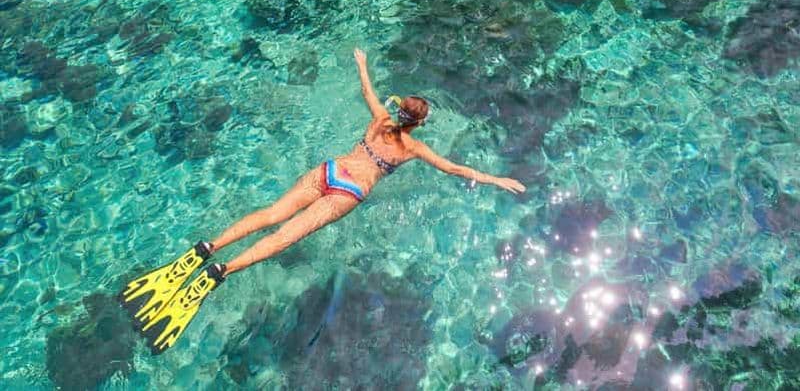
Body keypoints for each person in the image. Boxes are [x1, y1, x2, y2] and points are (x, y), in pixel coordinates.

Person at [119, 48, 526, 354]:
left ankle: (207, 249)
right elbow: (454, 168)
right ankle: (221, 271)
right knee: (284, 237)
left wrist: (363, 65)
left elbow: (369, 91)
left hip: (330, 170)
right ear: (417, 124)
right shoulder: (412, 148)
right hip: (348, 193)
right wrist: (495, 178)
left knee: (270, 214)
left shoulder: (378, 119)